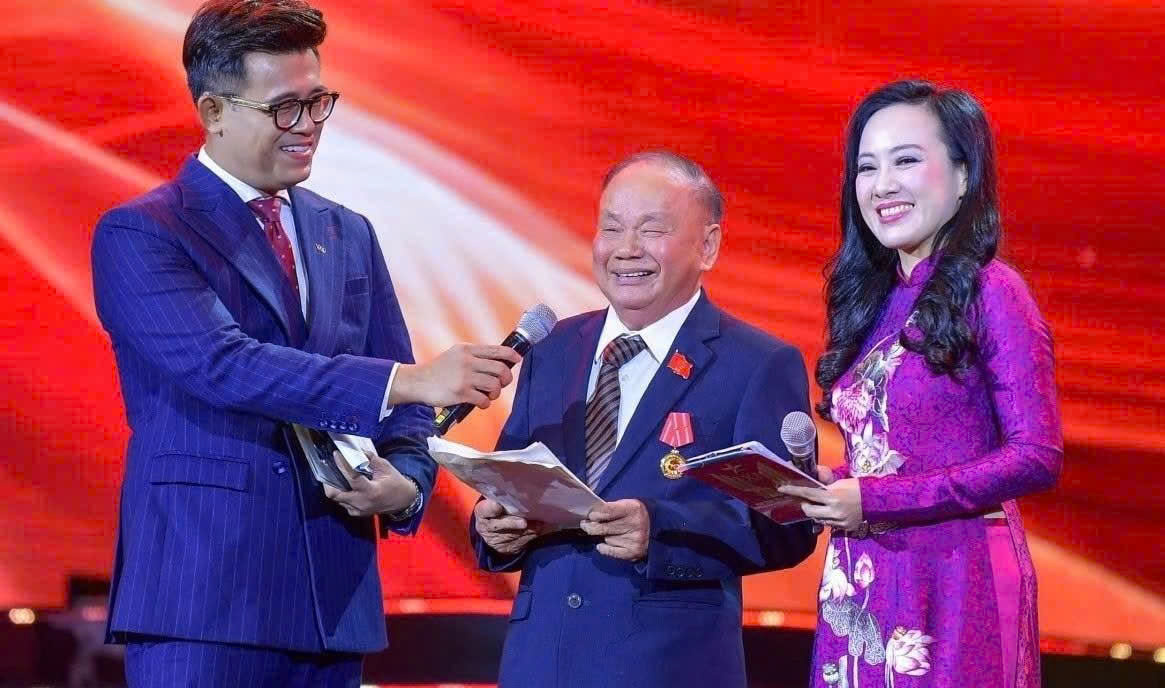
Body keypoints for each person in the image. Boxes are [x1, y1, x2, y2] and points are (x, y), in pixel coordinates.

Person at [90, 1, 518, 685]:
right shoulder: (143, 232)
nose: (308, 126)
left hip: (331, 598)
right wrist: (407, 381)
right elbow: (224, 365)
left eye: (318, 103)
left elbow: (404, 405)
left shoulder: (347, 232)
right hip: (204, 596)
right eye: (284, 109)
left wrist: (407, 485)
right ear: (213, 111)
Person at [470, 151, 817, 688]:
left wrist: (661, 529)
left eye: (652, 230)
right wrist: (493, 526)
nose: (626, 249)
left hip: (667, 666)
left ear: (708, 246)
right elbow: (511, 479)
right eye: (611, 228)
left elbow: (786, 527)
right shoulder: (552, 350)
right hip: (540, 664)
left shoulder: (756, 363)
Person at [779, 80, 1062, 688]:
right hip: (863, 579)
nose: (882, 185)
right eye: (867, 167)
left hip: (957, 576)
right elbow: (890, 454)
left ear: (963, 176)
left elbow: (1036, 455)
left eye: (905, 160)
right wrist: (831, 484)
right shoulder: (871, 300)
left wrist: (876, 499)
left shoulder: (994, 291)